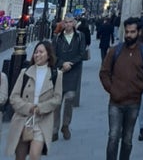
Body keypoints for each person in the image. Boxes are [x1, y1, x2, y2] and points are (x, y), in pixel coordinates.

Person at [100, 17, 143, 160]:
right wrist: (112, 90)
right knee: (113, 136)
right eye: (127, 32)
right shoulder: (115, 51)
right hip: (116, 102)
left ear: (138, 32)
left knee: (127, 138)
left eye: (132, 32)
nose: (129, 35)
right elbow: (104, 72)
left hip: (133, 102)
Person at [5, 40, 63, 159]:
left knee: (35, 156)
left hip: (42, 121)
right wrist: (28, 107)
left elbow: (57, 98)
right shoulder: (25, 72)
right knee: (20, 156)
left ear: (48, 55)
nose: (37, 55)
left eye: (41, 52)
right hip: (23, 120)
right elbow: (14, 97)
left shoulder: (56, 74)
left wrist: (41, 108)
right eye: (36, 52)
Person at [51, 12, 85, 141]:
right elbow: (53, 54)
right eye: (66, 22)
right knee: (57, 102)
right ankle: (54, 129)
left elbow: (82, 53)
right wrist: (62, 63)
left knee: (70, 99)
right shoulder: (57, 38)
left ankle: (65, 125)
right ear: (63, 23)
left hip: (73, 71)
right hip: (59, 72)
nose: (68, 24)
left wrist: (71, 63)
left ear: (74, 23)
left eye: (71, 22)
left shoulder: (80, 36)